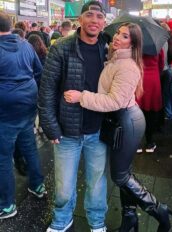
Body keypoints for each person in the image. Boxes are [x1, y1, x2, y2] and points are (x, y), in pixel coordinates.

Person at [64, 22, 172, 232]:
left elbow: (114, 101)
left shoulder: (127, 66)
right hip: (120, 121)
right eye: (118, 33)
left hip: (127, 122)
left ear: (133, 43)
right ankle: (130, 220)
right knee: (125, 173)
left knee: (120, 176)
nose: (117, 37)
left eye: (124, 36)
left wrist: (82, 97)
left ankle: (159, 210)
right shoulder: (117, 59)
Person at [38, 1, 109, 231]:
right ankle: (61, 220)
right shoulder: (62, 47)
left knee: (97, 184)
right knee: (64, 186)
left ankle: (97, 222)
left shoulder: (108, 48)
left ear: (104, 22)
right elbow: (47, 89)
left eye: (99, 16)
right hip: (67, 131)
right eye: (90, 15)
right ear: (80, 19)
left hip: (98, 130)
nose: (94, 20)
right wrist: (50, 126)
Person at [0, 11, 45, 219]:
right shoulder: (26, 44)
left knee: (3, 158)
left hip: (5, 110)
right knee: (29, 146)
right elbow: (38, 70)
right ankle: (37, 186)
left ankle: (7, 205)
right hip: (28, 105)